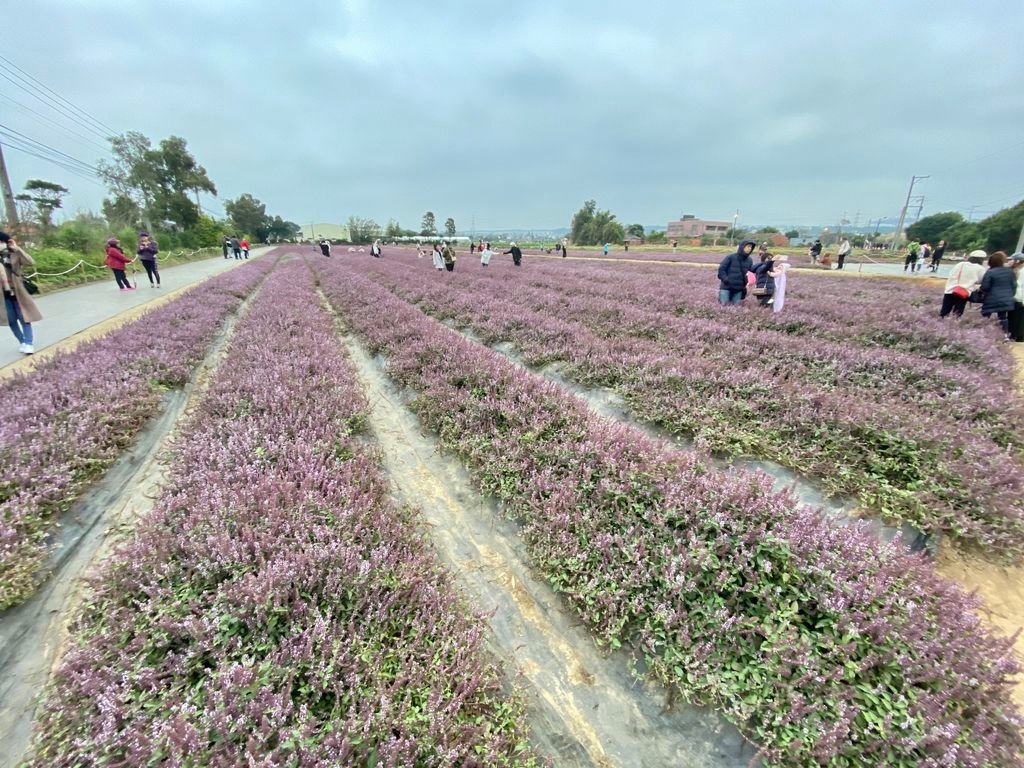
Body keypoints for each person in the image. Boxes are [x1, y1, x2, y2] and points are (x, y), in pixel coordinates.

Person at [0, 232, 41, 354]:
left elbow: (31, 262)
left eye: (2, 242)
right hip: (2, 294)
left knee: (24, 318)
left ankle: (29, 343)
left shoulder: (14, 254)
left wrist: (17, 249)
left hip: (17, 291)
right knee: (11, 320)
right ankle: (22, 341)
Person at [940, 250, 987, 318]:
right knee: (957, 314)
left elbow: (951, 274)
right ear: (981, 259)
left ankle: (941, 323)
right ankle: (954, 326)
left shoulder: (960, 264)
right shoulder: (980, 268)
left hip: (950, 289)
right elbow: (981, 280)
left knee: (944, 312)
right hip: (963, 292)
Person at [979, 251, 1016, 337]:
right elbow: (1014, 285)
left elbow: (985, 287)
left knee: (985, 315)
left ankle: (982, 334)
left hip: (991, 298)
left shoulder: (990, 272)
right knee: (1003, 317)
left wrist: (981, 292)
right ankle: (1005, 335)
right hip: (1006, 298)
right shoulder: (1010, 271)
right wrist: (1010, 295)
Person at [717, 239, 755, 305]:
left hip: (739, 289)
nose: (750, 248)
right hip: (726, 287)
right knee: (723, 306)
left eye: (751, 247)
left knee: (735, 307)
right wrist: (726, 280)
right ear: (742, 246)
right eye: (748, 246)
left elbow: (749, 273)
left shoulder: (749, 260)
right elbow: (721, 269)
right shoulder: (730, 257)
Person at [1009, 254, 1024, 342]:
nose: (1010, 261)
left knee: (1017, 320)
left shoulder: (1021, 271)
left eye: (1012, 260)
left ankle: (1016, 337)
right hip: (1018, 298)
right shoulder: (1018, 270)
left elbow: (1019, 286)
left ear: (1017, 261)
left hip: (1019, 299)